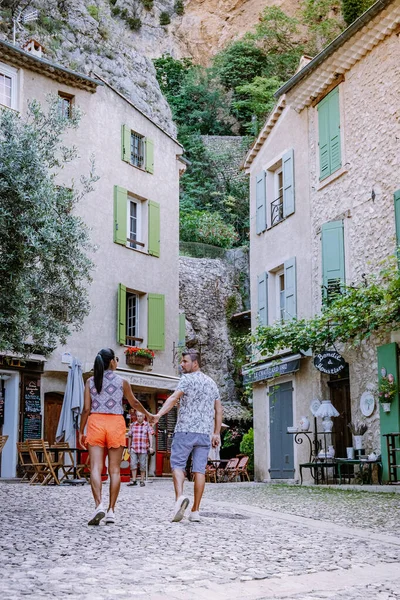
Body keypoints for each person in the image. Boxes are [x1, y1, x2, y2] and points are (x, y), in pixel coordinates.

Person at [79, 348, 153, 526]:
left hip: (96, 421)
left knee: (96, 468)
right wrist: (148, 414)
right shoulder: (122, 381)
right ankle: (111, 511)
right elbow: (134, 402)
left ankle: (99, 506)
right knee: (115, 470)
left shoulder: (90, 381)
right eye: (117, 359)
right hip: (116, 424)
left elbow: (86, 409)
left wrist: (81, 430)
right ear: (112, 361)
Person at [152, 349, 223, 523]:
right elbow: (219, 410)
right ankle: (196, 511)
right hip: (203, 434)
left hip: (184, 430)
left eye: (185, 361)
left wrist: (159, 415)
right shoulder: (211, 383)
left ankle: (179, 501)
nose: (182, 364)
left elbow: (174, 398)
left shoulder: (186, 379)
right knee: (199, 471)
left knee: (177, 465)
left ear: (195, 363)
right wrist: (216, 433)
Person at [127, 410, 154, 487]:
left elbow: (150, 435)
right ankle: (134, 480)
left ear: (144, 417)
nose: (139, 417)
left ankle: (142, 480)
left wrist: (151, 447)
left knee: (142, 465)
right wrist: (129, 448)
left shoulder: (147, 425)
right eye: (138, 416)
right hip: (134, 447)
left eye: (141, 416)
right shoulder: (132, 425)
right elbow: (130, 437)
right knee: (133, 464)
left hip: (143, 448)